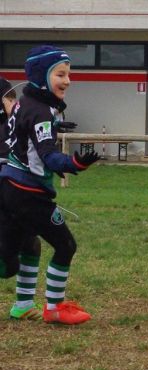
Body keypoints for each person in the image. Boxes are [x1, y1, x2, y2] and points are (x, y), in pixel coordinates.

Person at [0, 45, 100, 325]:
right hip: (28, 194)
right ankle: (54, 308)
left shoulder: (23, 102)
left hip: (9, 186)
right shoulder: (42, 111)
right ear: (41, 76)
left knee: (29, 247)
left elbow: (22, 137)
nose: (67, 80)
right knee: (65, 245)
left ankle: (22, 305)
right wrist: (75, 164)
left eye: (68, 74)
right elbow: (48, 156)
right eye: (60, 74)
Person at [0, 77, 44, 321]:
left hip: (14, 183)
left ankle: (24, 303)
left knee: (31, 242)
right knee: (7, 262)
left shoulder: (6, 92)